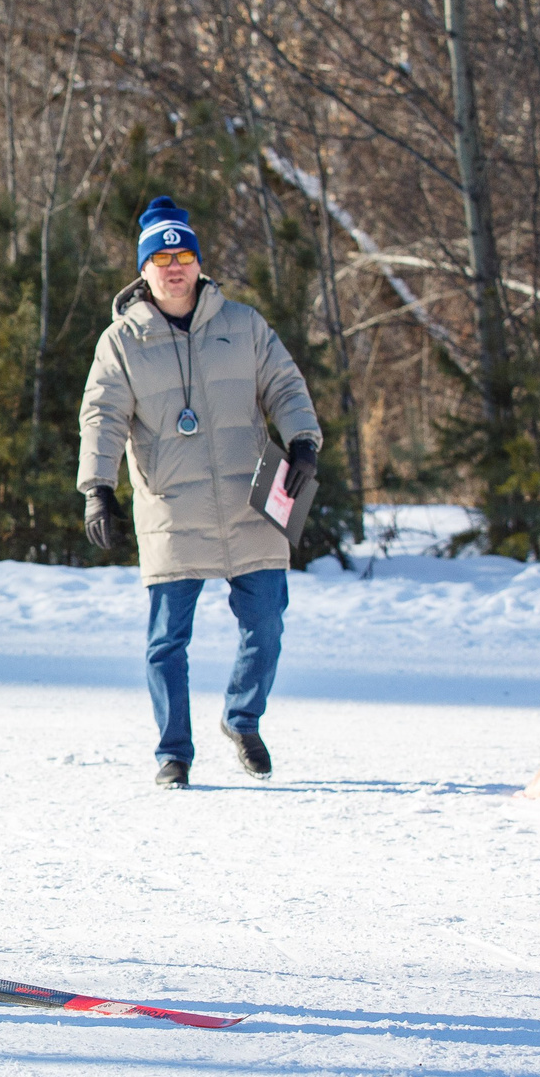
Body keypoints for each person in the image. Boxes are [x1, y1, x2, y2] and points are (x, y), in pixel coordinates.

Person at [78, 196, 321, 788]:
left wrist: (303, 440)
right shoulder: (121, 342)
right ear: (144, 269)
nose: (174, 267)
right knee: (167, 641)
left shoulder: (244, 325)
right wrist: (98, 488)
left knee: (266, 625)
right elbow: (102, 416)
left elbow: (285, 385)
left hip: (250, 498)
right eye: (161, 259)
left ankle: (243, 719)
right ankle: (174, 753)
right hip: (170, 504)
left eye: (184, 256)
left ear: (199, 263)